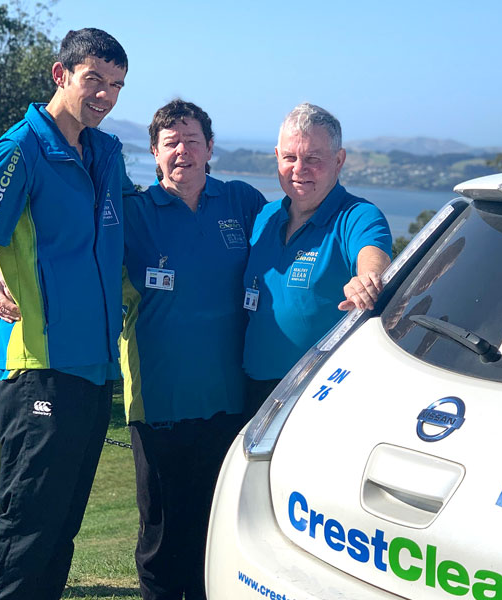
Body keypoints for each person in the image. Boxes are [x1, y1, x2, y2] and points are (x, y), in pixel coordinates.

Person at [0, 28, 129, 600]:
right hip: (37, 369)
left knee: (59, 534)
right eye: (93, 79)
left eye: (116, 85)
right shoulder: (18, 150)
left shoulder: (107, 153)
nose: (105, 95)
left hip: (94, 374)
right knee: (25, 530)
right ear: (61, 75)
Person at [121, 99, 265, 600]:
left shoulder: (242, 202)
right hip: (160, 401)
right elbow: (73, 249)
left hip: (231, 402)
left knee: (215, 529)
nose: (183, 150)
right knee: (161, 534)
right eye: (171, 143)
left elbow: (300, 233)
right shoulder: (133, 212)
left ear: (210, 148)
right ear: (155, 155)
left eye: (193, 140)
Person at [242, 103, 393, 411]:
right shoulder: (265, 218)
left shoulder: (357, 216)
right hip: (254, 391)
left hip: (321, 396)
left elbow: (372, 252)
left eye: (313, 158)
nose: (299, 169)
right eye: (289, 157)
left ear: (339, 161)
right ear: (276, 157)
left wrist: (367, 279)